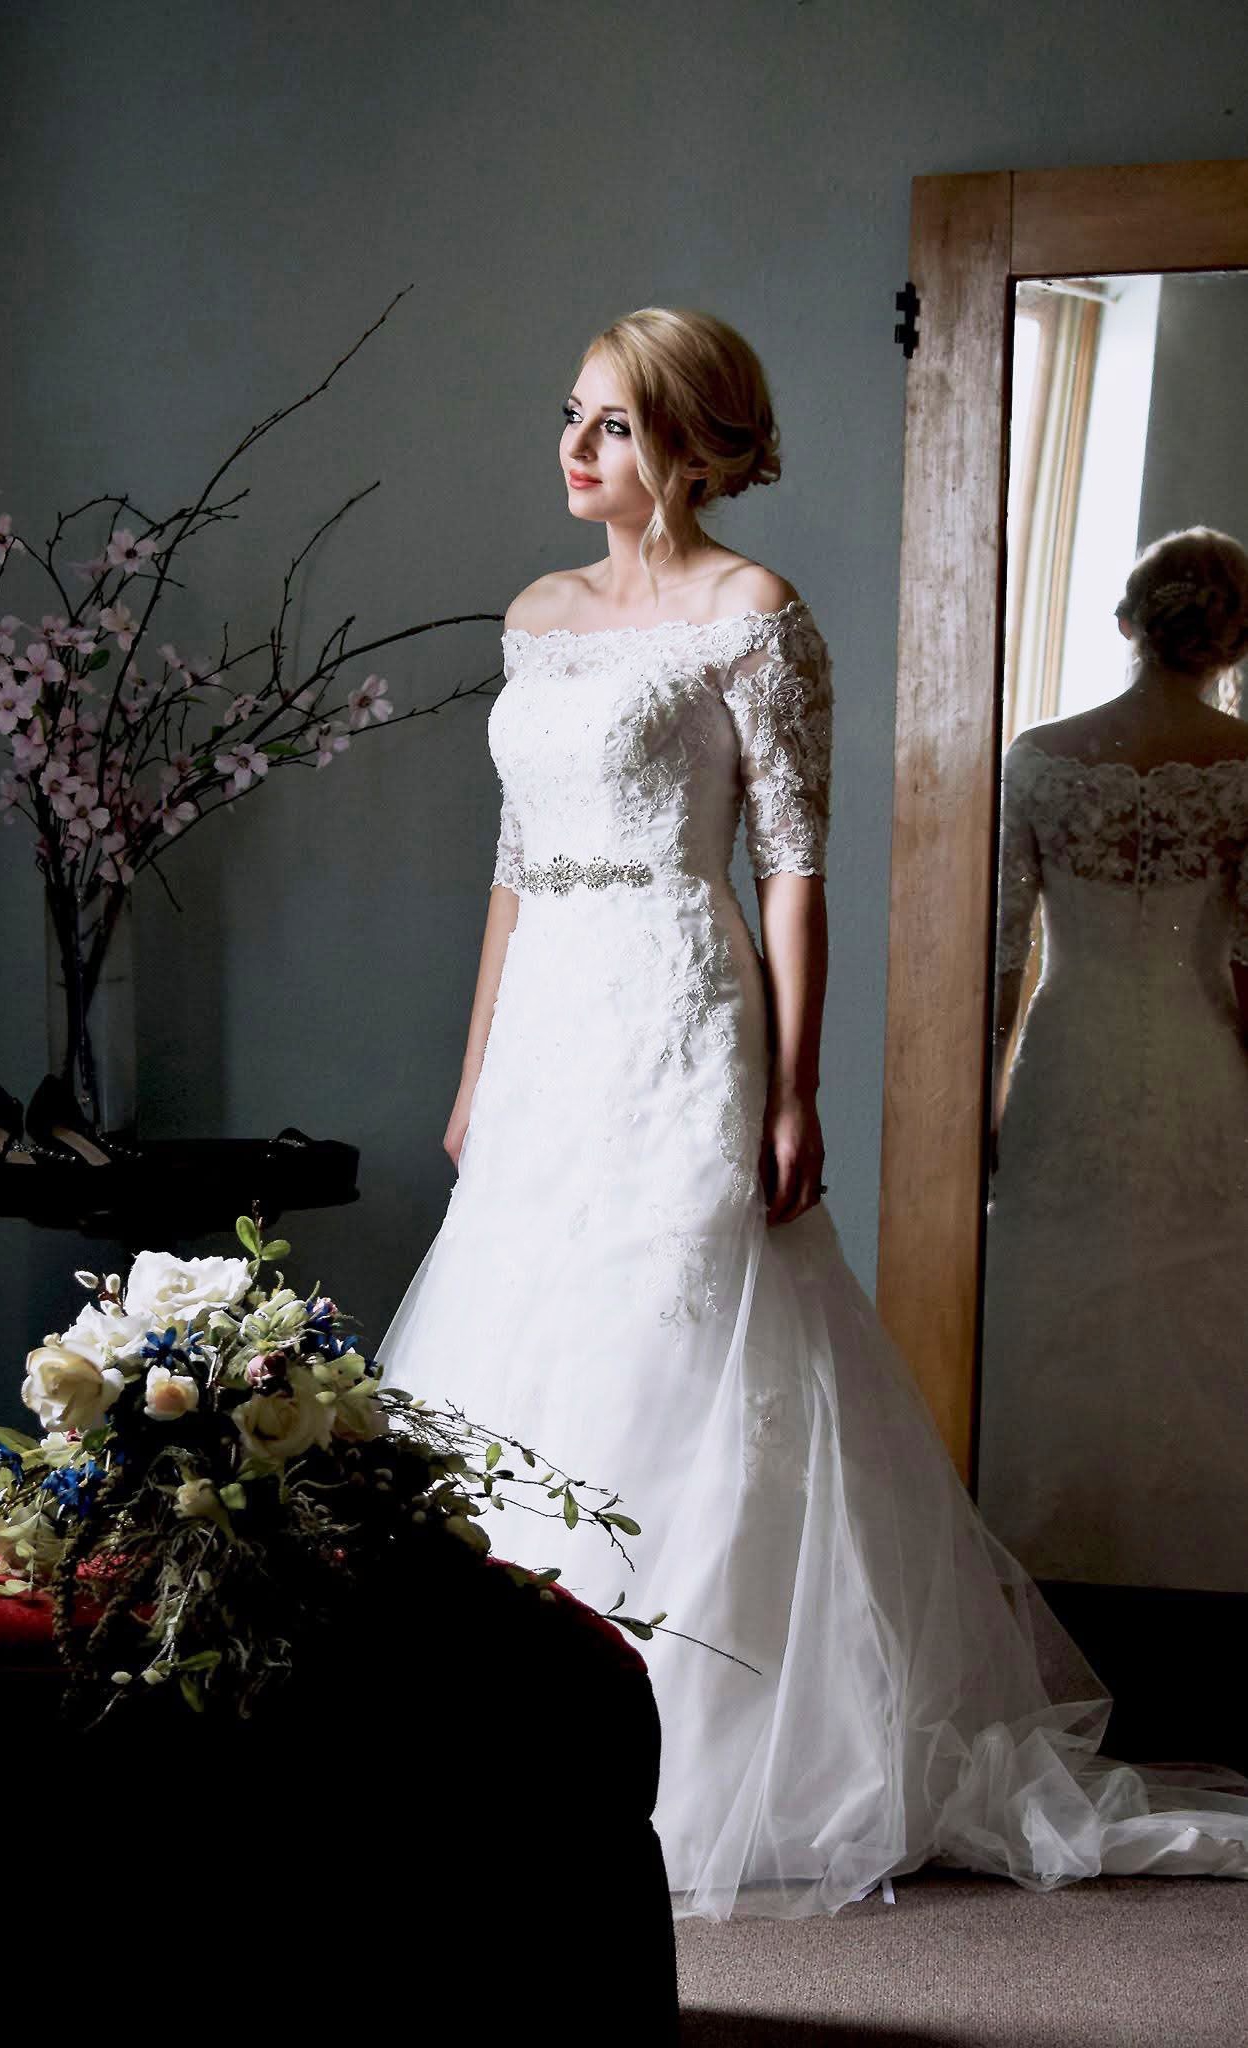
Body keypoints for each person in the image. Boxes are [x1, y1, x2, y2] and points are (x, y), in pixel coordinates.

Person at [376, 310, 1248, 1919]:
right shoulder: (538, 613)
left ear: (697, 444)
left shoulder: (755, 614)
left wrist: (792, 1085)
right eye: (570, 415)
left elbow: (790, 867)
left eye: (618, 427)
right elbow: (511, 866)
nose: (577, 450)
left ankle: (702, 1743)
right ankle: (497, 1735)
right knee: (520, 1330)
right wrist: (474, 1069)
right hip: (552, 1014)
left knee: (679, 1326)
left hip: (675, 994)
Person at [983, 528, 1248, 1592]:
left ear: (1125, 623)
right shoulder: (1242, 769)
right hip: (1196, 1066)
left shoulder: (1037, 758)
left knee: (1058, 1294)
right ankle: (1188, 1578)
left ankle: (1042, 1558)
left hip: (1065, 1057)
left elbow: (1002, 953)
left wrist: (975, 1099)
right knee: (1193, 1309)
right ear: (1230, 639)